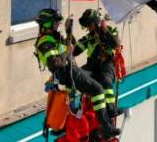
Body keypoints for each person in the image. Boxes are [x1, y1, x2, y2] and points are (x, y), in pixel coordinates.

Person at [34, 8, 120, 138]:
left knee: (90, 88)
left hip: (90, 68)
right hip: (68, 72)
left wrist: (69, 31)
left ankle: (65, 125)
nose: (58, 26)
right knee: (97, 89)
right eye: (56, 23)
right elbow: (56, 61)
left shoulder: (54, 38)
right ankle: (106, 127)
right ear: (47, 24)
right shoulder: (46, 41)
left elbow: (71, 45)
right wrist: (68, 52)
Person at [71, 9, 123, 118]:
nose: (88, 28)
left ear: (95, 22)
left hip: (106, 63)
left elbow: (115, 44)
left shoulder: (110, 30)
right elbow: (75, 51)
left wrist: (105, 31)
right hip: (91, 65)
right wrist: (70, 39)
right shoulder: (88, 38)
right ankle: (75, 107)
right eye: (87, 26)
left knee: (106, 81)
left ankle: (111, 109)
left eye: (89, 25)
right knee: (77, 75)